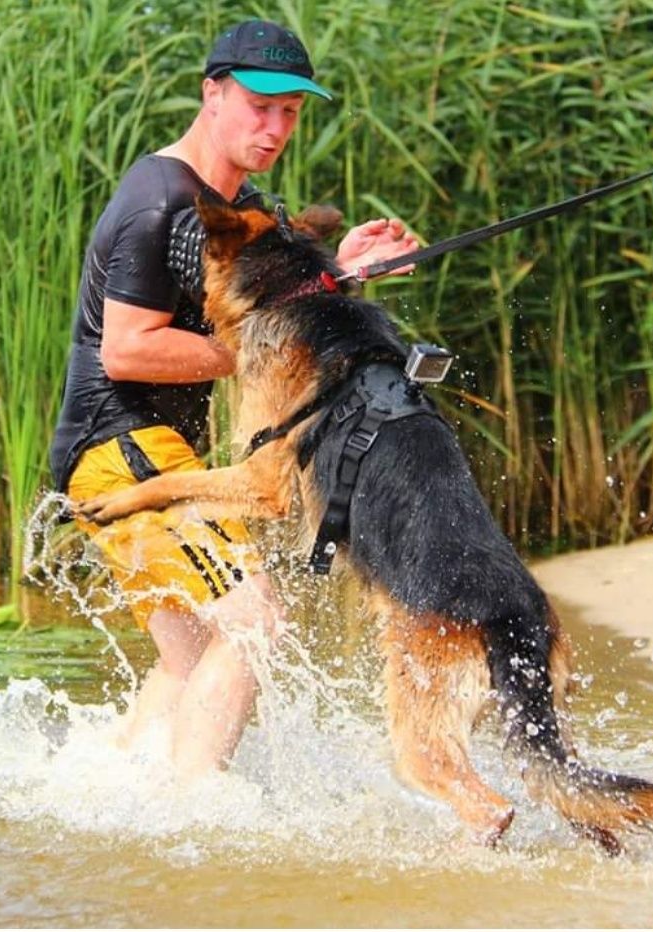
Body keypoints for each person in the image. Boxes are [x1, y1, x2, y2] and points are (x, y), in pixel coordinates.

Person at [49, 19, 418, 780]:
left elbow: (279, 302)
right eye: (260, 105)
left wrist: (345, 274)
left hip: (140, 452)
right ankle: (192, 818)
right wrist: (264, 348)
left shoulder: (235, 200)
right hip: (119, 447)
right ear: (211, 93)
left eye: (290, 112)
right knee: (254, 623)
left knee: (189, 657)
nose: (276, 126)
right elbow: (127, 348)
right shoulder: (159, 203)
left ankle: (100, 795)